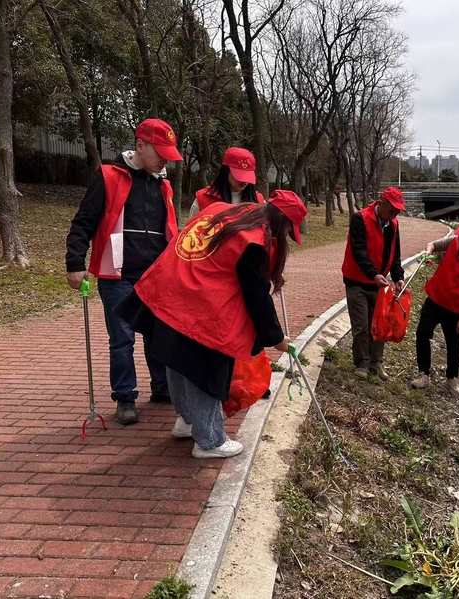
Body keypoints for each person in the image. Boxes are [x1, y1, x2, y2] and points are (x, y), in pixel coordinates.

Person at [115, 190, 307, 458]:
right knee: (203, 371)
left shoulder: (225, 211)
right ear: (282, 221)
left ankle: (187, 422)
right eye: (288, 230)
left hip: (169, 289)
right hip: (198, 304)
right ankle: (210, 440)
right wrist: (275, 338)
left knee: (178, 361)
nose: (285, 236)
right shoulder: (253, 239)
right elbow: (256, 296)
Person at [65, 118, 183, 426]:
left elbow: (170, 229)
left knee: (157, 334)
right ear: (140, 145)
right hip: (117, 275)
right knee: (122, 337)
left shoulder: (164, 185)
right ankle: (125, 397)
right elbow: (83, 222)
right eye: (160, 152)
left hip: (155, 276)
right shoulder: (108, 176)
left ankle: (161, 386)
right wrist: (75, 263)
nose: (165, 160)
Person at [411, 218, 459, 396]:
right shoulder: (454, 242)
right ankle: (424, 374)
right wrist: (428, 252)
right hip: (435, 299)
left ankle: (452, 379)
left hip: (455, 309)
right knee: (422, 334)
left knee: (454, 345)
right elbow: (433, 244)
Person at [341, 187, 405, 380]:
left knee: (379, 325)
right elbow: (358, 250)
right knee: (361, 326)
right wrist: (374, 274)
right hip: (357, 281)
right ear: (381, 203)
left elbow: (395, 254)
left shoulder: (393, 224)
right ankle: (362, 363)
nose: (392, 215)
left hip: (379, 284)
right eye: (391, 211)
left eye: (396, 212)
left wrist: (398, 276)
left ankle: (376, 363)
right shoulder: (360, 218)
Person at [189, 147, 265, 218]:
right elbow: (191, 227)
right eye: (239, 175)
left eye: (247, 176)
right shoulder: (203, 200)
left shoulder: (259, 201)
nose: (244, 181)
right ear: (225, 172)